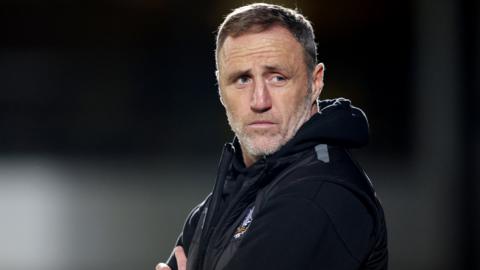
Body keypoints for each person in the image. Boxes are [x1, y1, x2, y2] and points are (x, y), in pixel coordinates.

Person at [156, 3, 388, 270]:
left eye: (277, 77)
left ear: (316, 83)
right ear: (220, 89)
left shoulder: (317, 196)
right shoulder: (220, 201)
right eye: (242, 79)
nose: (259, 100)